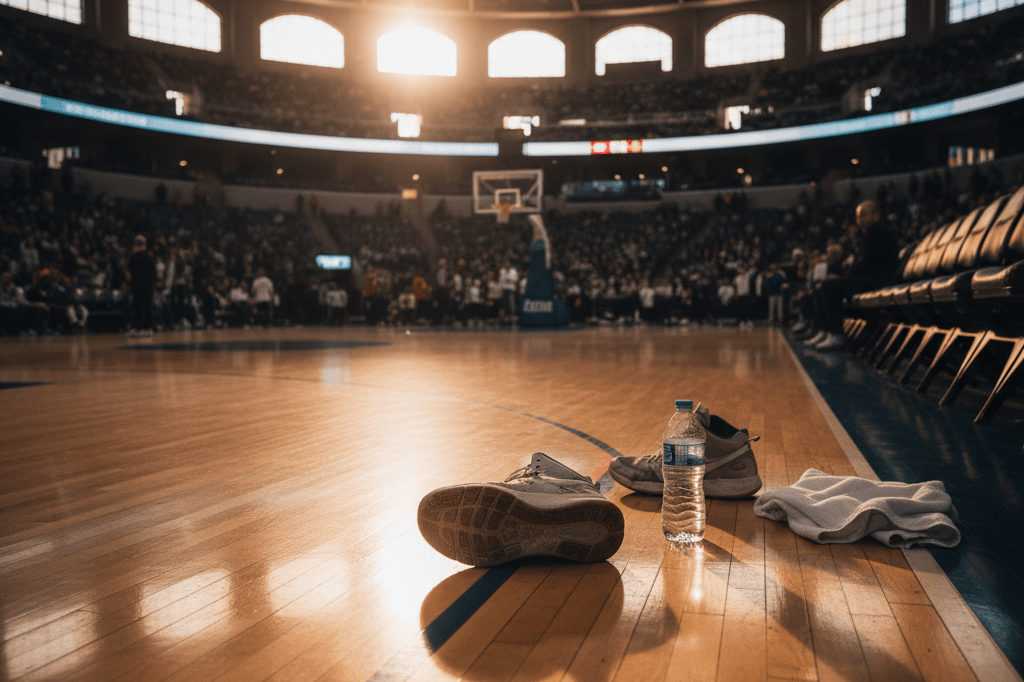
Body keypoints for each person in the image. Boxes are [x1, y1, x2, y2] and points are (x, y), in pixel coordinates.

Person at [805, 200, 899, 351]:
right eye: (858, 216)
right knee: (824, 286)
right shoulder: (873, 231)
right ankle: (823, 331)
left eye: (863, 215)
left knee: (828, 286)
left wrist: (844, 278)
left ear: (876, 215)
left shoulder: (878, 231)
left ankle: (835, 334)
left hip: (877, 280)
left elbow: (867, 264)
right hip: (872, 277)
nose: (859, 220)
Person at [127, 235, 157, 335]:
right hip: (148, 286)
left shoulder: (133, 257)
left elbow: (128, 274)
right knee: (148, 307)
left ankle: (137, 328)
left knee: (137, 308)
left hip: (136, 286)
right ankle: (148, 329)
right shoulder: (150, 258)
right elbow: (154, 274)